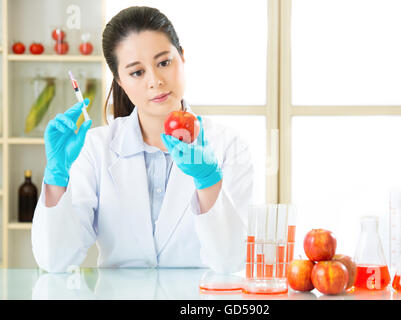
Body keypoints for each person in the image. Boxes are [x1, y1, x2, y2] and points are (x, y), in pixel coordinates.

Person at [31, 6, 253, 273]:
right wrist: (56, 177)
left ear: (182, 58)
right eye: (137, 72)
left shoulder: (229, 145)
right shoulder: (95, 148)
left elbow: (230, 262)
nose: (155, 81)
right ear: (120, 81)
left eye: (164, 62)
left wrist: (209, 182)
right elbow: (55, 260)